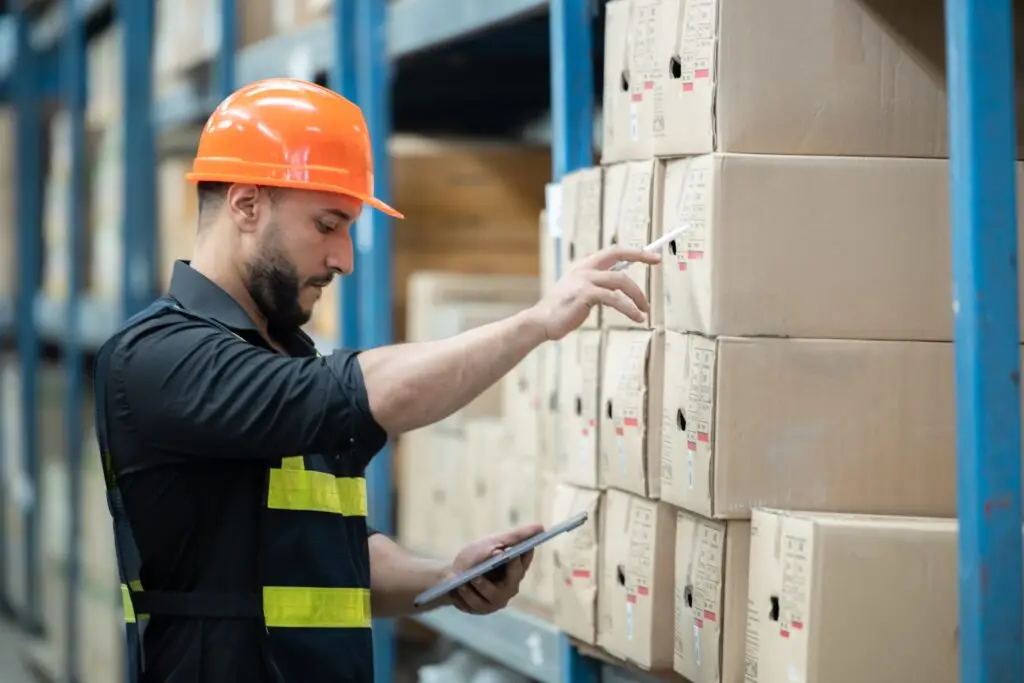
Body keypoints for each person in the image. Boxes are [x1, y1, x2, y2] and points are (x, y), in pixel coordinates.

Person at [92, 78, 659, 683]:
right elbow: (363, 392)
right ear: (247, 204)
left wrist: (444, 578)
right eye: (328, 224)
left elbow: (332, 556)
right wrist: (537, 323)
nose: (344, 258)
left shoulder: (283, 358)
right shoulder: (156, 359)